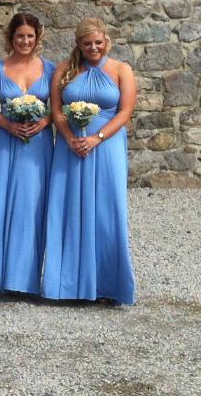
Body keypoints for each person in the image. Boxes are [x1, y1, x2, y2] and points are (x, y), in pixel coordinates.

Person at [42, 18, 137, 305]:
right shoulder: (64, 70)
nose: (93, 47)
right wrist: (70, 137)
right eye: (87, 43)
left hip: (107, 146)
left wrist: (97, 137)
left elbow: (125, 111)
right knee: (68, 208)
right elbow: (56, 111)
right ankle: (67, 284)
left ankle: (109, 283)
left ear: (106, 40)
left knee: (108, 209)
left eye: (98, 42)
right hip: (70, 147)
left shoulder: (122, 70)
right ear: (79, 45)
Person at [0, 12, 56, 296]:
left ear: (37, 39)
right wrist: (8, 125)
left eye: (30, 36)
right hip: (7, 141)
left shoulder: (50, 69)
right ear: (10, 38)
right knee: (6, 202)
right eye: (20, 36)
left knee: (35, 204)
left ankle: (28, 278)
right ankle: (3, 276)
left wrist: (45, 121)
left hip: (38, 145)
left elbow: (56, 108)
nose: (25, 41)